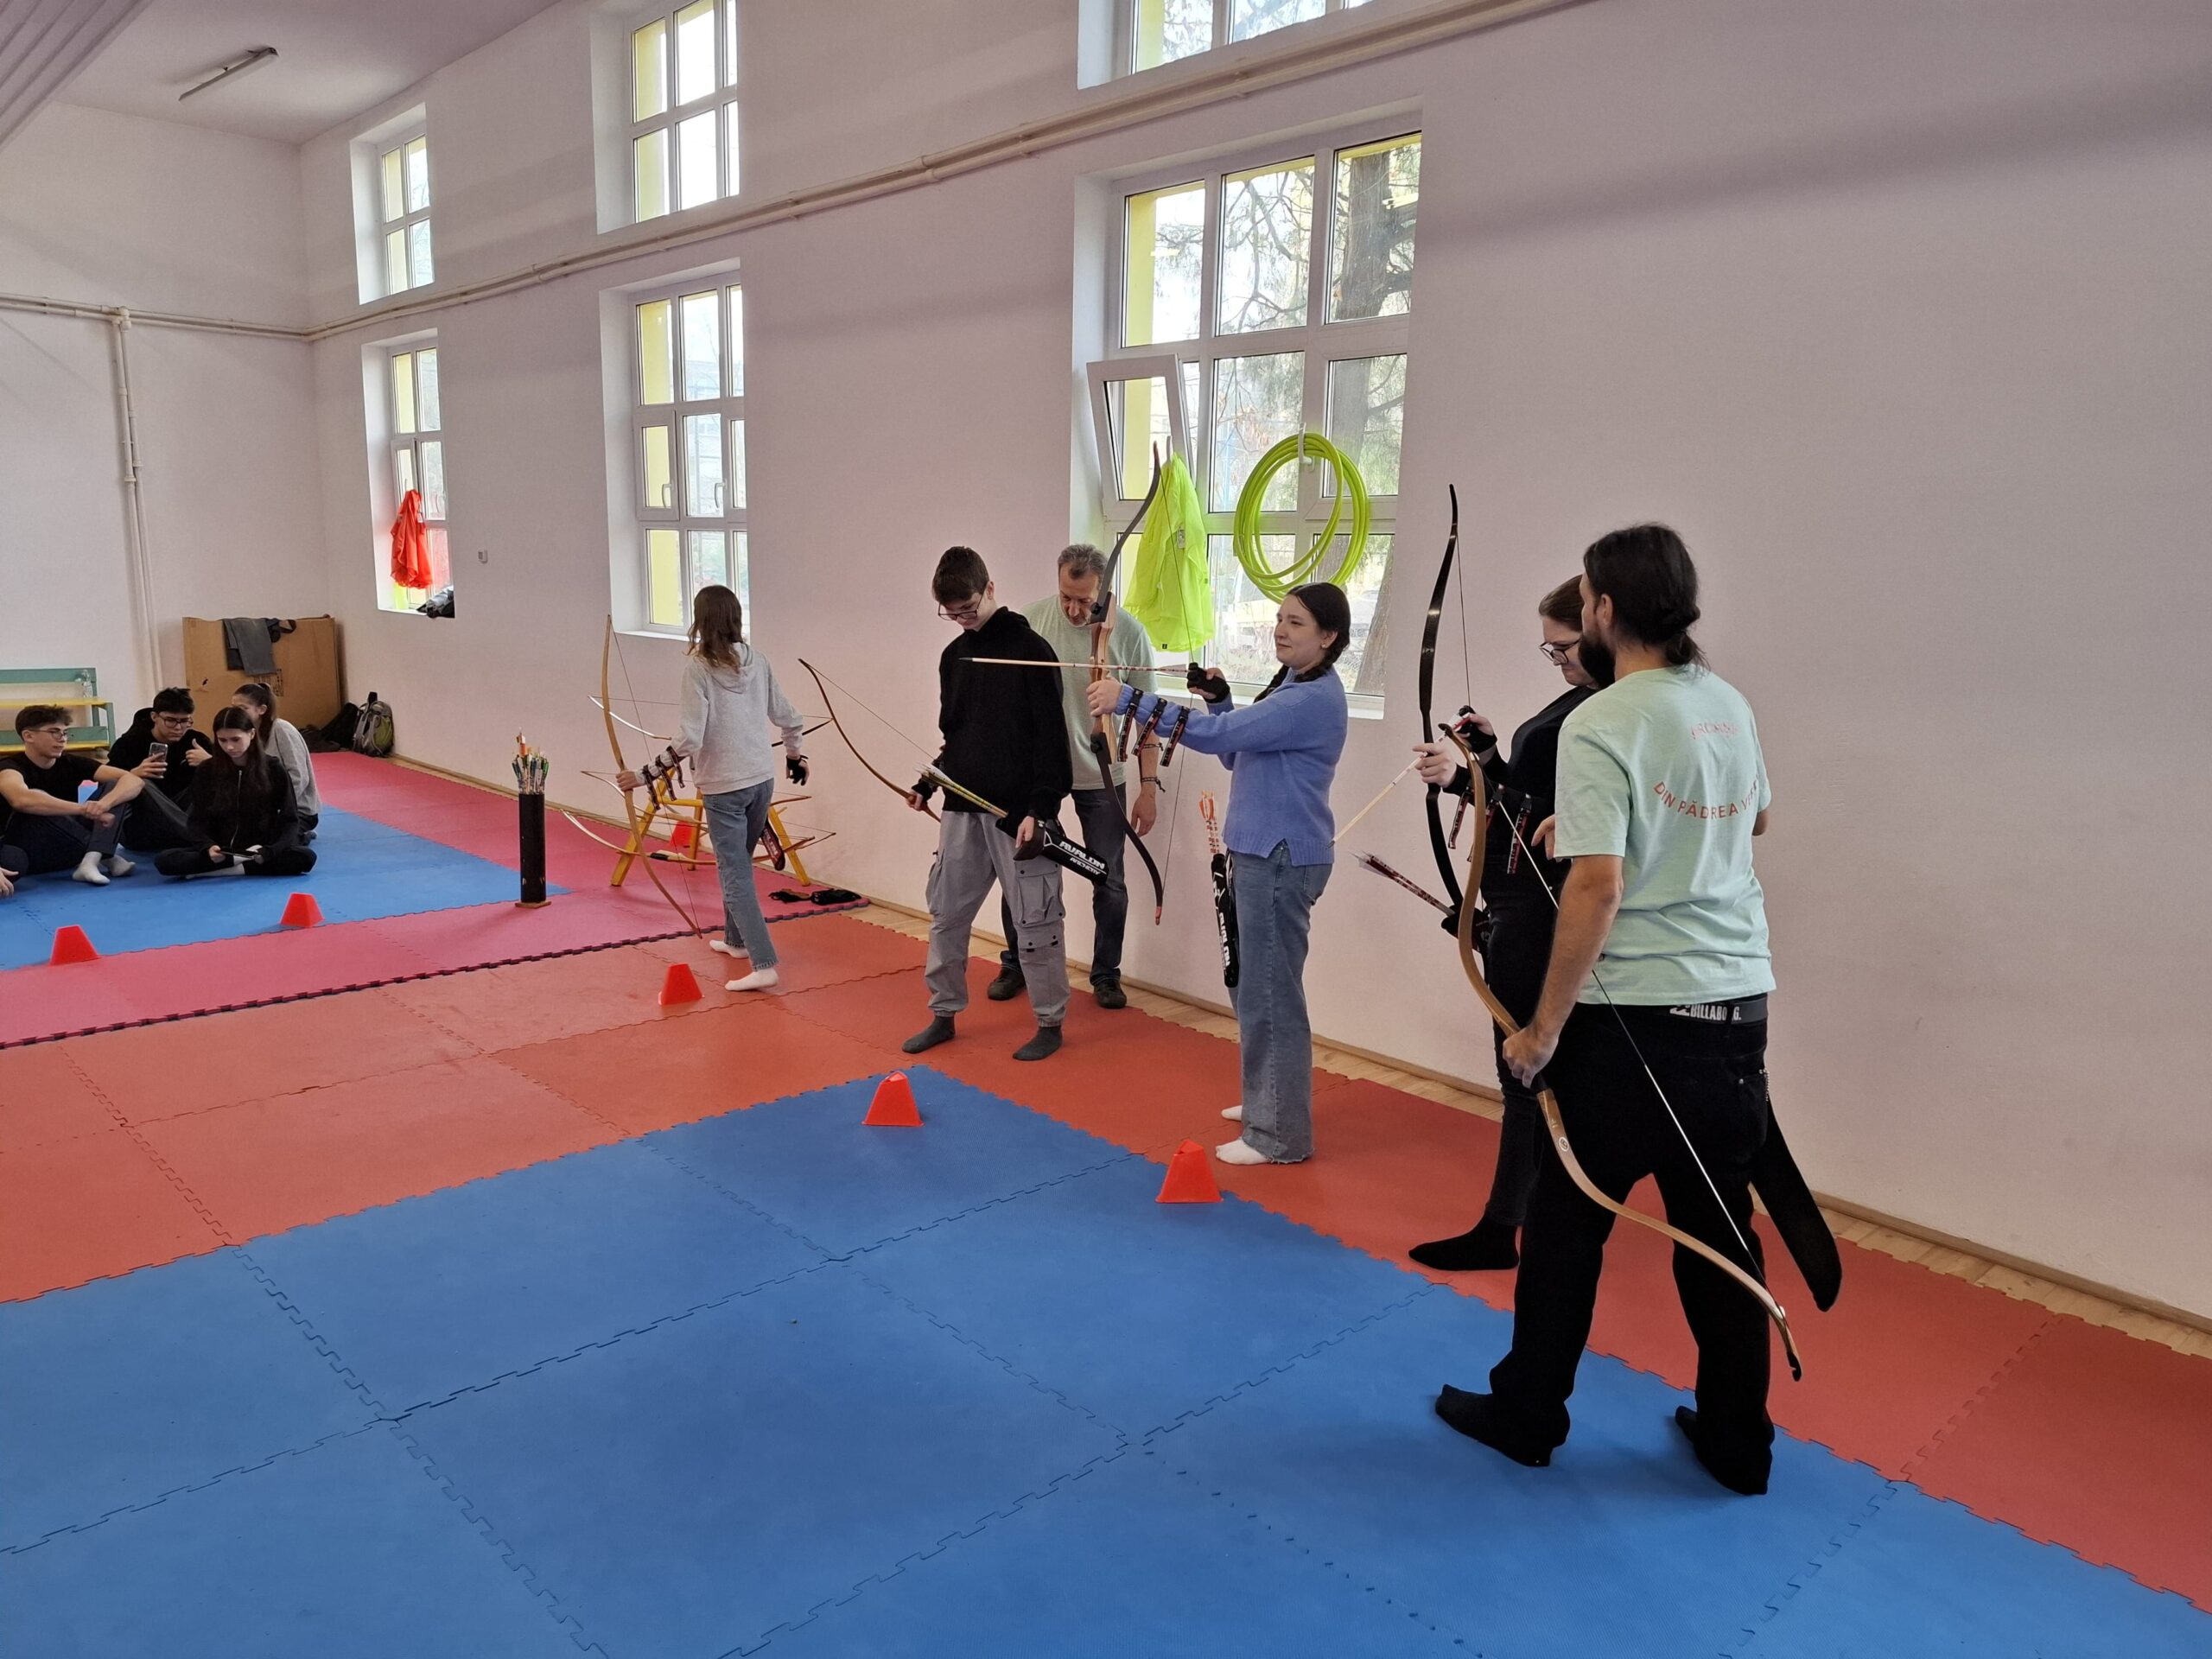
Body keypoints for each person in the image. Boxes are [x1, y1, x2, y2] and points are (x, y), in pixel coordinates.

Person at [1434, 524, 1782, 1496]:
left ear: (1604, 609)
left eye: (1585, 597)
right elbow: (1752, 817)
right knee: (1720, 1237)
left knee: (1565, 1228)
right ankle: (1738, 1445)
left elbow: (1596, 889)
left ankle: (1527, 1415)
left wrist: (1541, 1030)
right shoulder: (1725, 700)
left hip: (1631, 1025)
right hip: (1736, 1010)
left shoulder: (1603, 718)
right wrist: (1596, 821)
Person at [1086, 582, 1351, 1165]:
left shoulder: (1309, 699)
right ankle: (1266, 1100)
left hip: (1280, 858)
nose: (1281, 630)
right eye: (1280, 618)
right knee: (1250, 984)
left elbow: (1220, 741)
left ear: (1329, 637)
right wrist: (1221, 700)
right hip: (1260, 853)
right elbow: (1237, 750)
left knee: (1271, 994)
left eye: (1297, 623)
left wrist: (1130, 700)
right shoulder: (1291, 684)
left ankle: (1278, 1135)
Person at [1408, 578, 1598, 1270]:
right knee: (1529, 1078)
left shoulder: (1603, 713)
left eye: (1564, 647)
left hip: (1540, 909)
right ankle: (1528, 1221)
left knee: (1525, 1074)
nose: (1558, 660)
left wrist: (1465, 783)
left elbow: (1558, 823)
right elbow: (1537, 796)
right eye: (1550, 650)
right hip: (1519, 902)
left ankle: (1504, 1229)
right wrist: (1488, 759)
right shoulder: (1580, 701)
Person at [903, 546, 1073, 1063]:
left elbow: (1053, 743)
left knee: (1036, 923)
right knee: (946, 915)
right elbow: (957, 737)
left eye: (968, 608)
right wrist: (928, 783)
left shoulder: (1032, 650)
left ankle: (1049, 1022)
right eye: (951, 613)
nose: (962, 619)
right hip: (962, 808)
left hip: (1020, 814)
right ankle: (943, 1013)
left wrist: (1040, 811)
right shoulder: (954, 656)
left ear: (990, 588)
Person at [990, 543, 1159, 1011]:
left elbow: (1147, 719)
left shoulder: (1129, 633)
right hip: (1037, 775)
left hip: (1101, 774)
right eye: (1066, 596)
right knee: (1023, 868)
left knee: (1109, 879)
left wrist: (1148, 788)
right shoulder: (1030, 622)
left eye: (1085, 601)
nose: (1073, 609)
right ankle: (1017, 961)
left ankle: (1106, 974)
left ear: (1104, 592)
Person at [615, 584, 806, 993]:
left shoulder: (699, 669)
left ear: (701, 622)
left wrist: (644, 775)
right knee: (739, 864)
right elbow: (789, 717)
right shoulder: (757, 660)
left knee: (734, 873)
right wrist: (794, 755)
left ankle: (764, 963)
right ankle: (737, 941)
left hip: (724, 787)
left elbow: (689, 738)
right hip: (760, 780)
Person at [155, 707, 317, 879]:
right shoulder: (207, 770)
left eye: (236, 739)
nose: (229, 747)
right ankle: (239, 865)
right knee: (165, 860)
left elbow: (290, 819)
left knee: (306, 858)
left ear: (251, 734)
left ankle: (223, 870)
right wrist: (207, 846)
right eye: (222, 740)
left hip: (260, 848)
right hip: (221, 848)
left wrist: (270, 850)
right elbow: (196, 820)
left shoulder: (273, 768)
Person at [1, 704, 145, 891]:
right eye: (54, 732)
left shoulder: (71, 762)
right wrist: (83, 809)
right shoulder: (9, 767)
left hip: (69, 842)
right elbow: (21, 799)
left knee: (116, 787)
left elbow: (133, 780)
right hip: (34, 844)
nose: (62, 739)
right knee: (38, 800)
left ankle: (92, 858)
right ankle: (105, 855)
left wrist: (104, 804)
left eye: (65, 733)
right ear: (29, 736)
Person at [106, 688, 219, 853]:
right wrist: (131, 774)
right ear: (154, 717)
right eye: (171, 721)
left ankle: (195, 834)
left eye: (185, 721)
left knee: (210, 776)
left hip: (181, 822)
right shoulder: (129, 743)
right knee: (139, 783)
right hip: (142, 828)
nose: (178, 727)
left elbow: (230, 778)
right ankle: (198, 837)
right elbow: (105, 786)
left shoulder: (197, 741)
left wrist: (210, 762)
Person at [232, 683, 321, 840]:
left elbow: (299, 776)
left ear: (261, 710)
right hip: (264, 808)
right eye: (233, 708)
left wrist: (278, 806)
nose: (236, 713)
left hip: (297, 809)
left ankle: (302, 836)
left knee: (276, 843)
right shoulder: (247, 734)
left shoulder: (281, 729)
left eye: (243, 708)